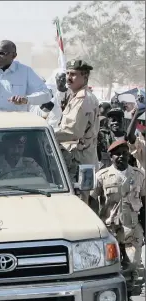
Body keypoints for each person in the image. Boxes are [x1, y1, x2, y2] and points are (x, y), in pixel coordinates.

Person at [90, 140, 145, 286]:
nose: (121, 156)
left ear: (129, 155)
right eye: (117, 154)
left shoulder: (139, 175)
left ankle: (130, 285)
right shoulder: (102, 176)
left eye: (125, 153)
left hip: (132, 228)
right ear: (111, 156)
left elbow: (144, 201)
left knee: (132, 264)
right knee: (111, 266)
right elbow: (93, 201)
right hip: (110, 229)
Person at [54, 59, 99, 202]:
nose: (68, 78)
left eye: (73, 74)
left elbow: (73, 133)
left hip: (78, 160)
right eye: (67, 73)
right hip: (78, 158)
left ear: (85, 76)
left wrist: (47, 135)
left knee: (77, 203)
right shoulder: (76, 96)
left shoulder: (83, 98)